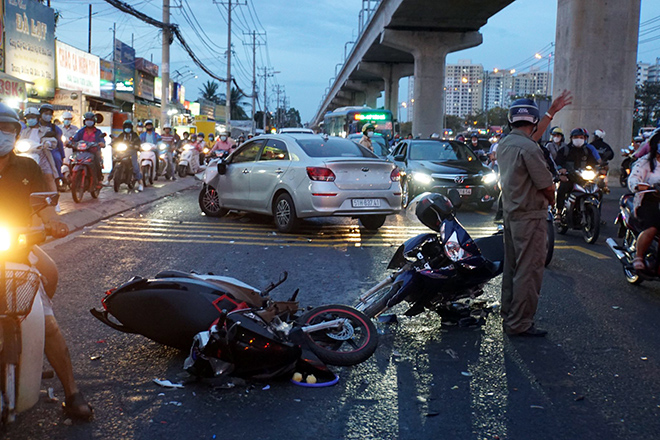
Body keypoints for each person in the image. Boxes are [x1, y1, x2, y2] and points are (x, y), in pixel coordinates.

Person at [0, 103, 93, 420]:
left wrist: (53, 222)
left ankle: (72, 392)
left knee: (47, 322)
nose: (1, 134)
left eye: (6, 128)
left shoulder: (28, 168)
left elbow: (45, 209)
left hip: (17, 252)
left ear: (15, 133)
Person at [497, 92, 571, 337]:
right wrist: (551, 201)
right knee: (529, 271)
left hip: (511, 214)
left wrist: (552, 112)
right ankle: (519, 323)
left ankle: (509, 314)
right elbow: (547, 185)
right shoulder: (528, 148)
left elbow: (531, 138)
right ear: (533, 120)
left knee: (513, 267)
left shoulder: (507, 143)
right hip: (530, 216)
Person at [627, 128, 660, 270]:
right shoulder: (645, 162)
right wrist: (639, 185)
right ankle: (639, 256)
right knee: (653, 227)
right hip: (647, 201)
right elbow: (634, 178)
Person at [554, 127, 602, 210]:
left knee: (599, 191)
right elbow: (557, 162)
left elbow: (594, 163)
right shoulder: (565, 150)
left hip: (584, 179)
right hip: (569, 178)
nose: (578, 139)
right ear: (571, 138)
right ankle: (558, 212)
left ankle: (598, 214)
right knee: (562, 189)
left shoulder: (587, 150)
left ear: (585, 139)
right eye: (576, 137)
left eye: (581, 137)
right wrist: (561, 169)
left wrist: (599, 169)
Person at [71, 112, 106, 186]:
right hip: (82, 152)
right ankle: (72, 179)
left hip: (93, 152)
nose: (89, 121)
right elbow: (75, 139)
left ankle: (99, 179)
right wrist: (70, 142)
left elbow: (102, 140)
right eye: (87, 120)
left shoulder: (98, 132)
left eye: (91, 120)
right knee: (72, 160)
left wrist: (101, 143)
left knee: (97, 163)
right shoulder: (81, 131)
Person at [112, 120, 143, 191]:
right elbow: (117, 141)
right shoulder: (122, 135)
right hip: (122, 152)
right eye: (126, 127)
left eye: (129, 127)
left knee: (135, 166)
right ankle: (109, 178)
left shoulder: (134, 135)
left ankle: (140, 183)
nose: (127, 128)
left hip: (132, 152)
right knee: (115, 161)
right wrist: (113, 143)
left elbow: (138, 141)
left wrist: (137, 146)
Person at [39, 104, 66, 184]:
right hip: (36, 149)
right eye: (45, 113)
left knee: (56, 159)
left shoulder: (55, 129)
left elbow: (59, 143)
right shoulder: (34, 126)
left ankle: (58, 178)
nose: (48, 116)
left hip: (52, 150)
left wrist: (62, 156)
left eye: (49, 114)